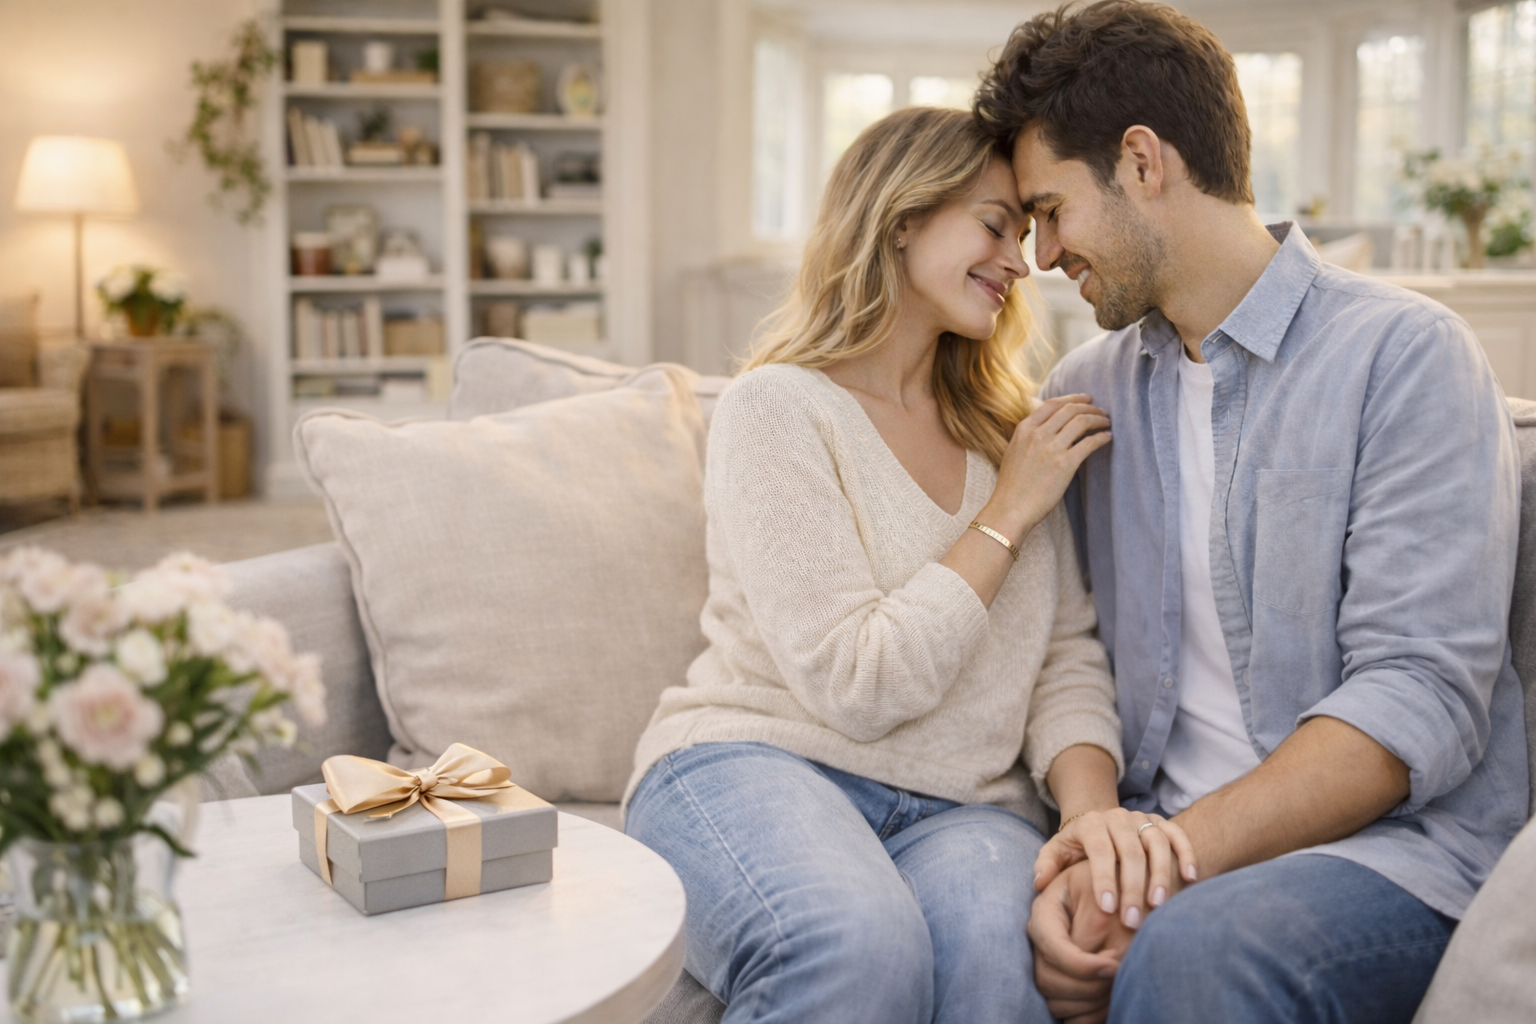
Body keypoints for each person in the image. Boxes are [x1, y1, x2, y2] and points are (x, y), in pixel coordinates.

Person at [972, 3, 1530, 1023]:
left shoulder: (1403, 357)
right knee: (971, 929)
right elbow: (1065, 651)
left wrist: (1161, 869)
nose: (1043, 254)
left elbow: (1418, 697)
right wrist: (1102, 849)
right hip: (1154, 834)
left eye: (1052, 209)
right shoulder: (1087, 391)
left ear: (1142, 162)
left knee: (1198, 954)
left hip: (1389, 859)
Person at [623, 106, 1193, 1024]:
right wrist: (1008, 509)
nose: (1025, 258)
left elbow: (1065, 657)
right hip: (762, 765)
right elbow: (860, 682)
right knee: (857, 947)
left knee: (1002, 980)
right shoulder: (778, 412)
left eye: (1030, 227)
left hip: (968, 809)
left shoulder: (1010, 435)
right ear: (900, 220)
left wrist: (1089, 817)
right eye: (995, 224)